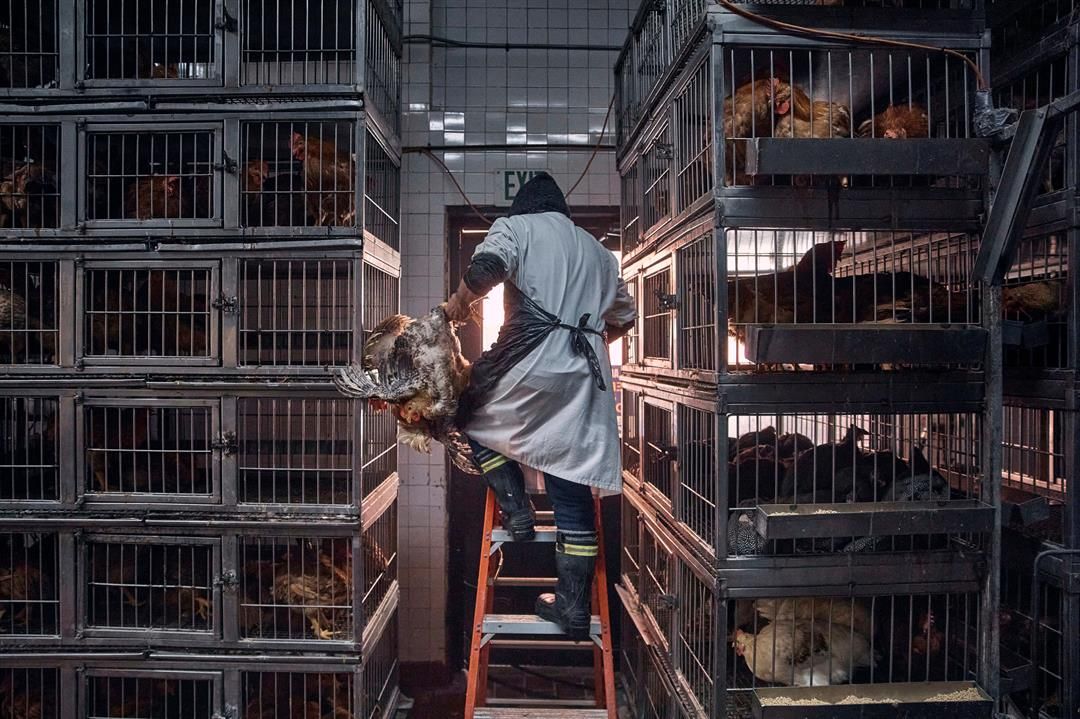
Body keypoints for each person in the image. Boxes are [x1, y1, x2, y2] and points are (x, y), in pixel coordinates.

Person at [443, 173, 637, 638]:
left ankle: (517, 509)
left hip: (525, 364)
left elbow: (484, 271)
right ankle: (572, 607)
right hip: (585, 383)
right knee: (570, 485)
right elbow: (624, 317)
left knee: (461, 411)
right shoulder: (595, 250)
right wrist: (583, 340)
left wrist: (455, 307)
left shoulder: (517, 228)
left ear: (523, 207)